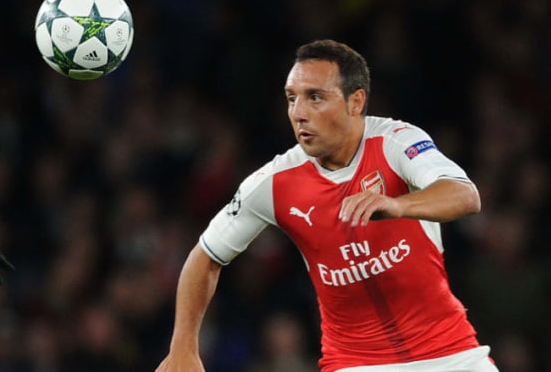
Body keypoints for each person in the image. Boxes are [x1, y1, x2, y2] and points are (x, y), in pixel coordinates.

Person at [156, 39, 498, 372]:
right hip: (354, 363)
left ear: (356, 101)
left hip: (453, 354)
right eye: (292, 99)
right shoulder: (274, 182)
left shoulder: (396, 141)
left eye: (314, 97)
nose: (298, 113)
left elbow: (465, 196)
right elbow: (204, 257)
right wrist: (183, 346)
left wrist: (398, 204)